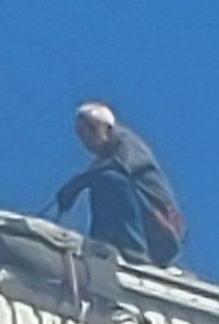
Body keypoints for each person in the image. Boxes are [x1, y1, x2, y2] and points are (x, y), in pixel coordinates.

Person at [53, 102, 185, 267]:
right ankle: (100, 247)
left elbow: (121, 166)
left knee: (110, 180)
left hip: (160, 232)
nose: (86, 139)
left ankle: (134, 251)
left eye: (91, 130)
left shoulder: (128, 144)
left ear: (107, 128)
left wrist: (79, 183)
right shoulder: (101, 164)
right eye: (81, 134)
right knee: (101, 185)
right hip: (145, 222)